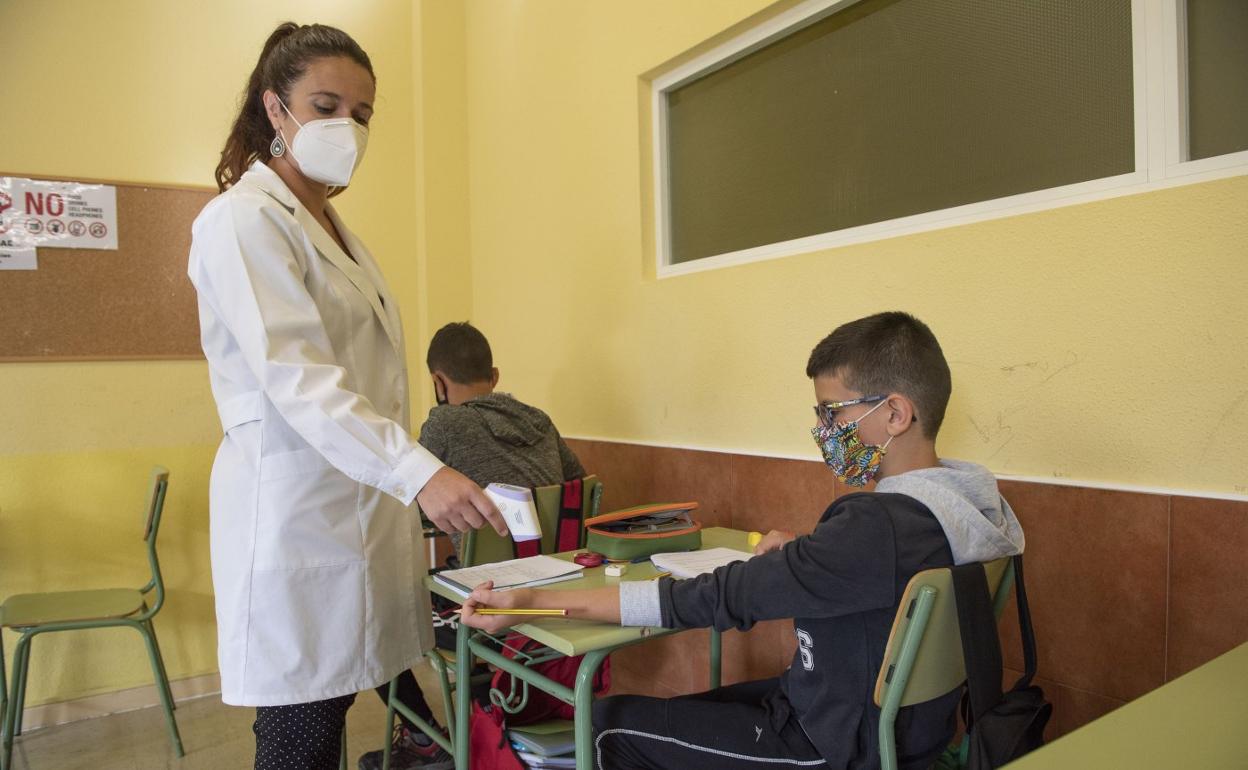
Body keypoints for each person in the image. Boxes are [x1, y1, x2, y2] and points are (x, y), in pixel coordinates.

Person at [460, 312, 1026, 769]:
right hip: (891, 734)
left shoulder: (873, 527)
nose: (825, 433)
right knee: (683, 712)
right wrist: (807, 552)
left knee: (605, 726)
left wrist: (531, 602)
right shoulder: (964, 507)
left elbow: (705, 598)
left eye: (833, 413)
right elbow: (872, 565)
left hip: (827, 746)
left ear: (896, 413)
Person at [187, 22, 504, 770]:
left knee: (365, 693)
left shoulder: (333, 228)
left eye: (362, 114)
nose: (347, 128)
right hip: (300, 523)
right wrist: (420, 470)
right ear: (275, 108)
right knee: (303, 735)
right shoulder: (243, 220)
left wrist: (409, 474)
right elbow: (298, 379)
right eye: (326, 105)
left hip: (358, 517)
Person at [358, 320, 586, 769]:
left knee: (377, 622)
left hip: (485, 606)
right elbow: (579, 485)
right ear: (495, 377)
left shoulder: (444, 423)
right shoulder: (539, 419)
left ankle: (426, 740)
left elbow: (417, 506)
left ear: (437, 383)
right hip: (556, 596)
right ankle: (492, 709)